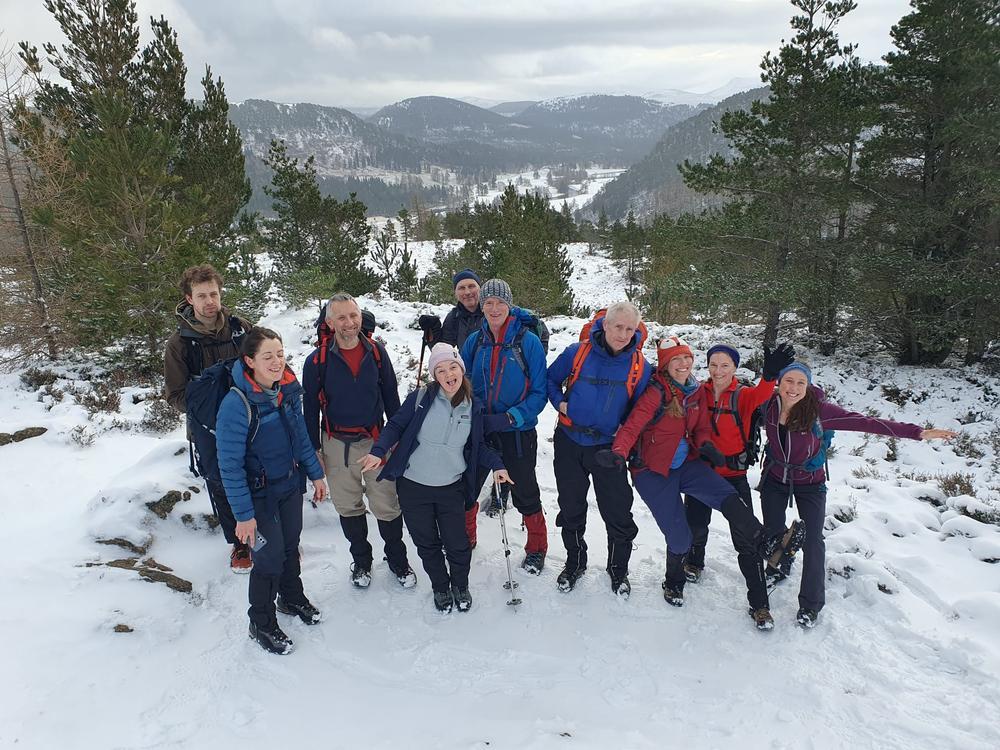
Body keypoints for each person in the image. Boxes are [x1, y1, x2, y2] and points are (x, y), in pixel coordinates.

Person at [600, 336, 805, 616]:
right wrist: (618, 453)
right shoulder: (657, 393)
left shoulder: (695, 390)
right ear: (665, 364)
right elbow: (632, 426)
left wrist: (706, 444)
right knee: (681, 537)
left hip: (687, 463)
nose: (683, 364)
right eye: (675, 359)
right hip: (653, 471)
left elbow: (700, 428)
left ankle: (767, 544)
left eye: (686, 357)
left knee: (726, 495)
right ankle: (674, 582)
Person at [758, 362, 957, 628]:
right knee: (772, 531)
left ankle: (811, 604)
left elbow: (867, 423)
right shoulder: (769, 405)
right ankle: (778, 566)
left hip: (810, 483)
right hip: (774, 479)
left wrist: (917, 432)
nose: (793, 388)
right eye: (788, 381)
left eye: (800, 383)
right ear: (779, 383)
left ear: (808, 385)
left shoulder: (820, 411)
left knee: (814, 542)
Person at [358, 344, 512, 613]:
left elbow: (479, 446)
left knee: (458, 544)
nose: (448, 374)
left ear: (461, 370)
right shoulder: (421, 398)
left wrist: (498, 466)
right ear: (434, 375)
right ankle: (440, 587)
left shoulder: (473, 406)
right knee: (427, 543)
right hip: (413, 487)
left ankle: (460, 586)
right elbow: (395, 425)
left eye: (452, 367)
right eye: (440, 370)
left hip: (450, 488)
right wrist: (378, 451)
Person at [216, 327, 329, 655]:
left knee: (290, 545)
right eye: (268, 356)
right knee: (268, 558)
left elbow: (300, 437)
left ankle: (290, 598)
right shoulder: (236, 405)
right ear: (250, 361)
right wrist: (243, 516)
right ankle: (261, 622)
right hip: (258, 497)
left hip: (289, 485)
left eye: (280, 354)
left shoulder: (286, 391)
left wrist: (316, 474)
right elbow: (229, 467)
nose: (277, 361)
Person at [303, 292, 416, 589]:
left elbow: (391, 397)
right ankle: (362, 562)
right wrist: (314, 450)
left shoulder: (377, 353)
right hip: (336, 443)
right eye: (341, 317)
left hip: (376, 441)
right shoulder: (317, 361)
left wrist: (397, 439)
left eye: (353, 315)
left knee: (387, 505)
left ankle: (397, 559)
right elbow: (310, 409)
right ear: (330, 322)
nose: (349, 322)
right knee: (348, 506)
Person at [682, 341, 794, 629]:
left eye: (725, 365)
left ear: (734, 367)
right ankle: (694, 562)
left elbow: (762, 394)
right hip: (701, 474)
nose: (718, 371)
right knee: (695, 526)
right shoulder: (698, 392)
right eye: (713, 364)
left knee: (746, 540)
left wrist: (770, 376)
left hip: (733, 476)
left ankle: (760, 605)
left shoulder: (742, 395)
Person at [546, 301, 651, 598]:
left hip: (609, 448)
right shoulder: (576, 353)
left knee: (617, 510)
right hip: (569, 441)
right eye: (618, 327)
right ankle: (575, 562)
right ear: (605, 325)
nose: (623, 334)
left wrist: (625, 435)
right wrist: (560, 403)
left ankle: (618, 569)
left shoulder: (640, 366)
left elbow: (642, 409)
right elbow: (550, 380)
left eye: (629, 329)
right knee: (571, 506)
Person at [164, 264, 255, 573]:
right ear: (189, 299)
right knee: (220, 480)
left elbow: (263, 363)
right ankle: (240, 543)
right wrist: (209, 406)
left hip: (251, 417)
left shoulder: (241, 329)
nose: (209, 302)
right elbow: (175, 394)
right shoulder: (180, 344)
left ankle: (269, 530)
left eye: (213, 294)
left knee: (258, 471)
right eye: (201, 296)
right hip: (208, 428)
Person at [461, 278, 549, 574]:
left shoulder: (528, 342)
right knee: (468, 485)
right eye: (488, 303)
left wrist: (511, 417)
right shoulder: (475, 341)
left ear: (509, 305)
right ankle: (466, 538)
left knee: (524, 490)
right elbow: (462, 381)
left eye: (500, 302)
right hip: (481, 429)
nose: (494, 308)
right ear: (481, 306)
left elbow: (540, 392)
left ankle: (537, 548)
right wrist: (473, 412)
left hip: (517, 432)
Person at [418, 269, 484, 351]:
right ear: (455, 293)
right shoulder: (454, 317)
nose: (467, 292)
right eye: (461, 288)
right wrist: (433, 328)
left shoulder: (492, 312)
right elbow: (443, 350)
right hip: (466, 359)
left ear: (480, 288)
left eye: (471, 286)